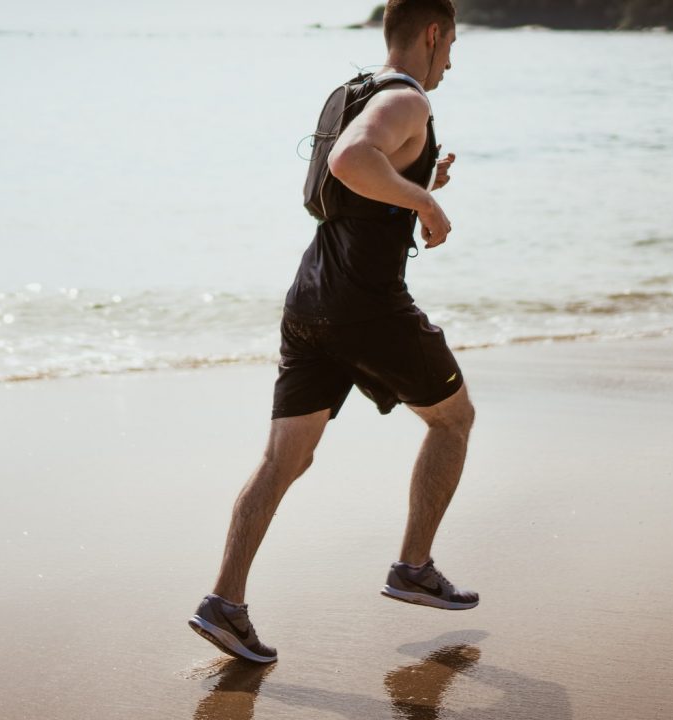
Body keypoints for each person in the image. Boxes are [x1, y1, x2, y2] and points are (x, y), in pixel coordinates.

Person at [188, 0, 477, 664]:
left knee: (284, 459)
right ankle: (413, 566)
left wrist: (417, 179)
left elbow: (338, 192)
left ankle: (223, 603)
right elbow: (351, 161)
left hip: (310, 298)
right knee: (453, 420)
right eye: (453, 43)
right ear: (432, 34)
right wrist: (428, 202)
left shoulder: (347, 92)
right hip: (367, 306)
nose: (453, 60)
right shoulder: (409, 102)